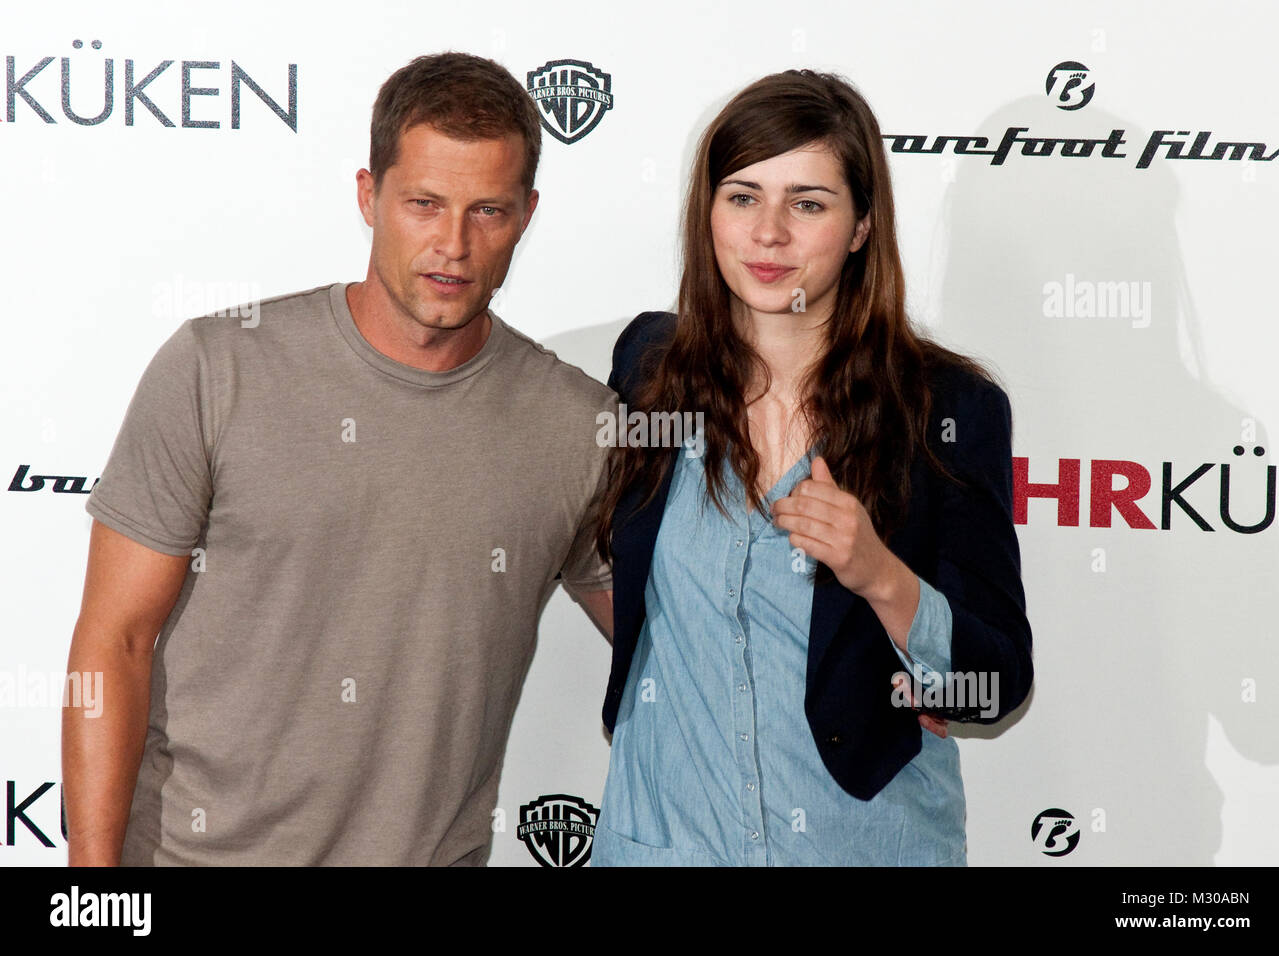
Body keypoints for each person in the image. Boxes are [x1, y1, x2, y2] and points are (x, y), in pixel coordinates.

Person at [61, 52, 616, 866]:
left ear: (527, 214)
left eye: (487, 211)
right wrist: (95, 889)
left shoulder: (577, 427)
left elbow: (668, 657)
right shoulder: (219, 369)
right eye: (424, 204)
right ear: (369, 195)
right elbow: (114, 642)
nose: (453, 245)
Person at [588, 70, 1032, 866]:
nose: (769, 235)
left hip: (860, 845)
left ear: (861, 226)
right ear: (708, 211)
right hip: (663, 842)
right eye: (743, 196)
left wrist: (879, 576)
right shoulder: (650, 366)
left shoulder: (944, 407)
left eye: (808, 203)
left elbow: (996, 686)